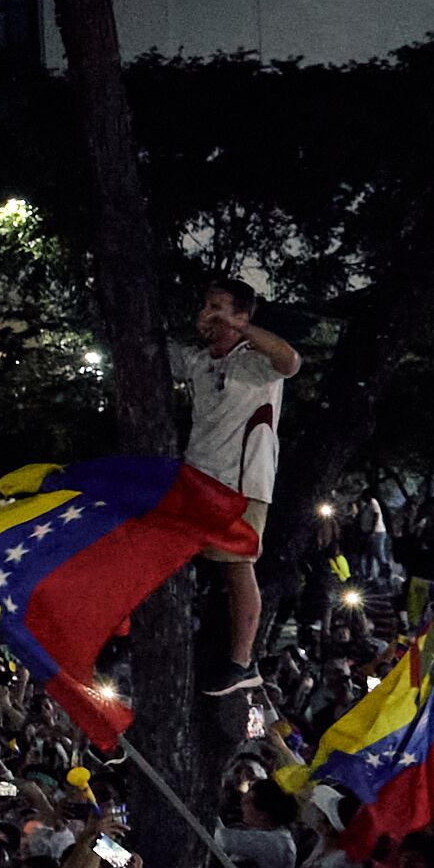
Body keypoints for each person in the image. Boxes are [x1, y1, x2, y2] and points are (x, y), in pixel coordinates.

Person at [178, 273, 299, 695]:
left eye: (217, 308)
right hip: (198, 474)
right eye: (204, 307)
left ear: (242, 317)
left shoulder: (255, 362)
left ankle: (242, 661)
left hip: (242, 481)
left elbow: (290, 361)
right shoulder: (200, 360)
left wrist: (243, 330)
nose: (205, 316)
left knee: (237, 567)